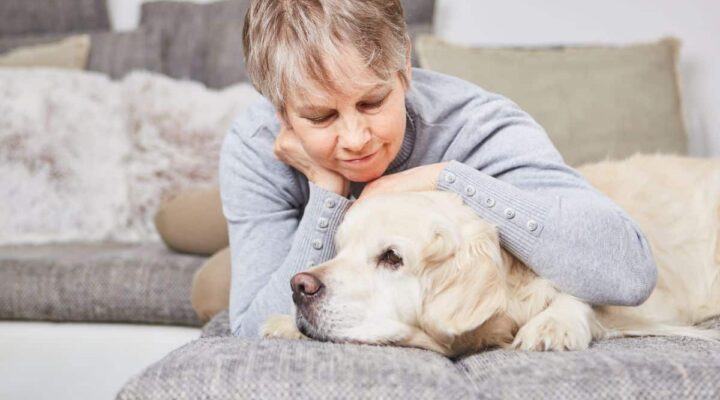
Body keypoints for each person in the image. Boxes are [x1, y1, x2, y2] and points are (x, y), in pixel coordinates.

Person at [218, 0, 658, 338]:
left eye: (372, 102)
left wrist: (445, 177)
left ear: (404, 67)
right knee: (209, 280)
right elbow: (251, 329)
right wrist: (327, 195)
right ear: (279, 111)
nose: (354, 139)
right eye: (321, 117)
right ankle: (207, 221)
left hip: (341, 261)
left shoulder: (481, 126)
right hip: (321, 250)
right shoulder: (254, 145)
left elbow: (629, 271)